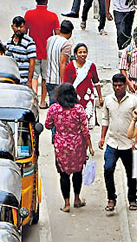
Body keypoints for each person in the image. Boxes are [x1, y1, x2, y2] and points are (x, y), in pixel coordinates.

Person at [98, 73, 137, 213]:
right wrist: (102, 138)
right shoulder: (108, 100)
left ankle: (132, 199)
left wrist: (136, 140)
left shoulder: (133, 100)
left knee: (131, 173)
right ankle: (111, 198)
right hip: (112, 142)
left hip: (128, 143)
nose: (117, 88)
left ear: (125, 86)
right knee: (108, 169)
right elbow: (105, 119)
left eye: (120, 85)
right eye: (115, 86)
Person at [44, 83, 91, 213]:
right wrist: (89, 146)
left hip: (61, 146)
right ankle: (76, 199)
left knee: (63, 174)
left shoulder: (54, 109)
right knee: (77, 172)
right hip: (77, 145)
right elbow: (85, 130)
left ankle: (66, 203)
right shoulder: (79, 109)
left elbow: (47, 125)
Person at [22, 0, 59, 104]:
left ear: (36, 1)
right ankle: (43, 101)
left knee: (33, 76)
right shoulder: (53, 16)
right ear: (47, 1)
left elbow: (25, 31)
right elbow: (57, 35)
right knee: (45, 78)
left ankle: (34, 100)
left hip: (32, 51)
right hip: (47, 52)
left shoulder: (28, 14)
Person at [62, 42, 102, 120]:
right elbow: (65, 84)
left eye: (84, 52)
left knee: (87, 120)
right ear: (76, 54)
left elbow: (96, 82)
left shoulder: (91, 66)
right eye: (80, 52)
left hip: (88, 98)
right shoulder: (70, 66)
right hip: (74, 98)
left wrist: (100, 97)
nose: (82, 54)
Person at [44, 19, 74, 104]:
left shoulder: (50, 39)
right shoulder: (66, 44)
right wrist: (63, 82)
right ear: (70, 32)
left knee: (53, 107)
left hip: (49, 78)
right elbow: (63, 63)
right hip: (58, 81)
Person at [4, 16, 36, 88]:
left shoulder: (29, 42)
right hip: (12, 80)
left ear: (24, 27)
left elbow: (32, 63)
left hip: (23, 81)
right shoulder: (9, 42)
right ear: (12, 27)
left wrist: (29, 80)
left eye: (21, 27)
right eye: (16, 26)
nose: (18, 29)